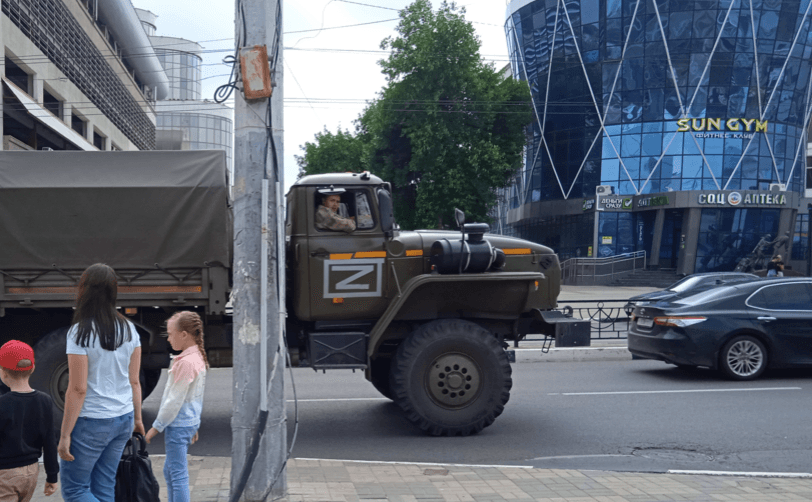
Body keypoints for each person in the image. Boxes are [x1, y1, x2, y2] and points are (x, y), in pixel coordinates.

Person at [58, 263, 144, 502]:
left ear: (84, 290)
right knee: (104, 487)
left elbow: (77, 388)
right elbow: (134, 381)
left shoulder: (79, 332)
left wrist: (65, 435)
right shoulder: (129, 330)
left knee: (76, 491)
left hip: (91, 421)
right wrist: (137, 419)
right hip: (123, 418)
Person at [145, 311, 208, 502]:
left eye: (171, 334)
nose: (168, 339)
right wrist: (194, 425)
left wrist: (155, 428)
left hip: (179, 426)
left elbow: (174, 400)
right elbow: (195, 397)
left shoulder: (186, 363)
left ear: (184, 335)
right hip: (186, 424)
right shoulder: (196, 357)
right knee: (171, 470)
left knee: (177, 473)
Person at [0, 340, 58, 502]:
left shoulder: (2, 404)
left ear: (3, 372)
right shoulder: (45, 400)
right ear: (32, 368)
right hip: (31, 472)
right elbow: (50, 441)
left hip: (5, 473)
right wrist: (52, 476)